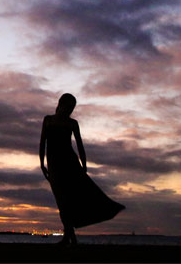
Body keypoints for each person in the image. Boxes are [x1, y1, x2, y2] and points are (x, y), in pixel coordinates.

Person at [39, 93, 125, 246]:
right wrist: (42, 164)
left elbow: (79, 145)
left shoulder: (73, 123)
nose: (69, 110)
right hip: (54, 165)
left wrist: (84, 166)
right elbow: (42, 143)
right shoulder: (48, 120)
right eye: (67, 106)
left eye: (71, 108)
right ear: (60, 104)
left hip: (70, 164)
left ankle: (70, 237)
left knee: (69, 200)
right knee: (61, 201)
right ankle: (70, 237)